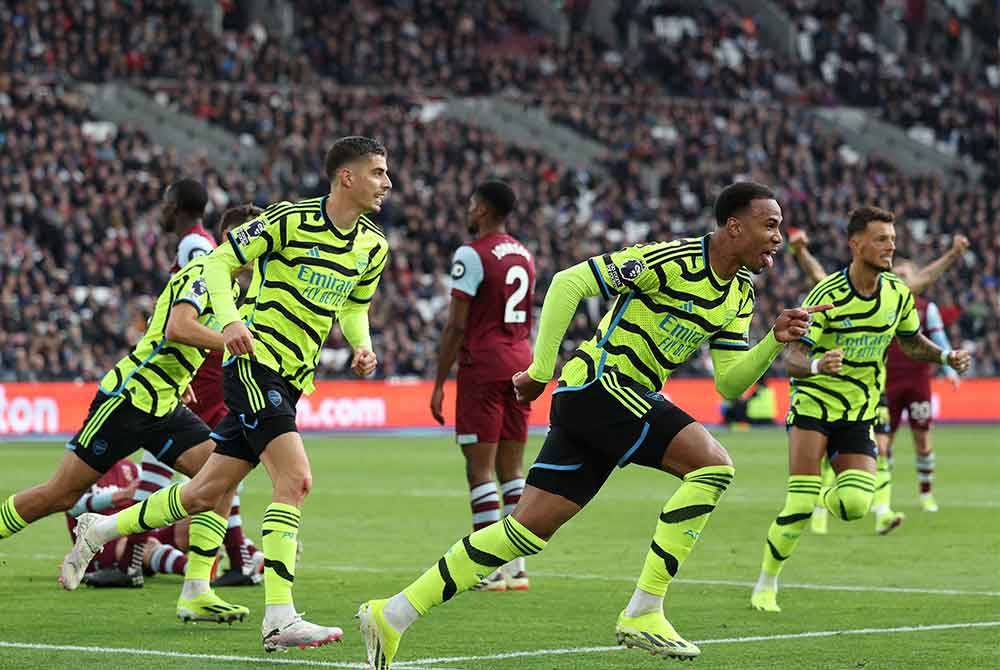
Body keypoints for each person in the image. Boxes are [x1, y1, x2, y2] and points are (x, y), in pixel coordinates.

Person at [358, 181, 830, 666]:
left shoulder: (739, 295)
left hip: (612, 402)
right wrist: (541, 371)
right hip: (602, 388)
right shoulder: (672, 261)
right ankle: (645, 610)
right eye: (769, 225)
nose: (777, 237)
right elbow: (568, 283)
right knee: (712, 467)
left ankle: (391, 615)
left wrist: (772, 341)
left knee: (524, 533)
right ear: (734, 226)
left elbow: (730, 383)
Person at [65, 136, 392, 653]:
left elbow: (355, 306)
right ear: (346, 177)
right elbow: (217, 263)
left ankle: (100, 529)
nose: (387, 182)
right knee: (296, 479)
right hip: (255, 368)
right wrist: (235, 320)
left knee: (203, 493)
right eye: (377, 172)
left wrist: (362, 345)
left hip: (293, 378)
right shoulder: (288, 220)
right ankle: (279, 617)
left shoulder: (374, 246)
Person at [1, 202, 250, 623]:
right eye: (256, 235)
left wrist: (180, 373)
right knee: (59, 494)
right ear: (236, 239)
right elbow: (177, 327)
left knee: (219, 478)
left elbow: (168, 337)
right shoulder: (205, 271)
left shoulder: (235, 290)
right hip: (127, 400)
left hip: (165, 403)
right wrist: (228, 343)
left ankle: (196, 591)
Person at [750, 207, 971, 614]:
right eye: (882, 238)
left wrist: (944, 356)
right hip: (814, 405)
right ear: (856, 244)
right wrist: (819, 365)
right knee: (799, 504)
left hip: (858, 412)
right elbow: (793, 359)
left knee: (854, 506)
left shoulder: (897, 295)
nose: (891, 246)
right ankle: (766, 583)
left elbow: (911, 341)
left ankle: (831, 489)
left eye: (892, 238)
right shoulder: (826, 296)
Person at [787, 229, 968, 533]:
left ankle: (883, 511)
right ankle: (822, 504)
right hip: (843, 389)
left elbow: (922, 282)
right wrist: (801, 252)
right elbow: (818, 275)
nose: (898, 276)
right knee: (839, 453)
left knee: (882, 449)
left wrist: (953, 255)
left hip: (879, 388)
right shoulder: (846, 292)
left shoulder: (899, 296)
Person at [143, 181, 264, 587]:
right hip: (210, 366)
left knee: (169, 456)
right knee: (221, 462)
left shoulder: (195, 249)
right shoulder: (215, 256)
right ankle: (237, 556)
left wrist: (182, 369)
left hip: (205, 370)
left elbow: (183, 318)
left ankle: (135, 554)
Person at [429, 180, 535, 592]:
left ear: (485, 210)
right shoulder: (525, 255)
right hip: (520, 362)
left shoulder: (470, 255)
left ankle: (486, 567)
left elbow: (457, 324)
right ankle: (517, 566)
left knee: (480, 469)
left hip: (484, 365)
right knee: (512, 470)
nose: (469, 211)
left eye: (473, 205)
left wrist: (439, 382)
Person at [64, 459, 191, 588]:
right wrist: (122, 495)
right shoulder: (81, 468)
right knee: (146, 544)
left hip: (141, 532)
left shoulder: (132, 467)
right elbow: (71, 505)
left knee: (195, 513)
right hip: (106, 544)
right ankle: (194, 572)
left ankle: (204, 567)